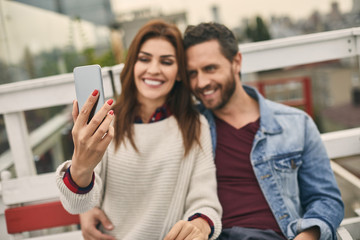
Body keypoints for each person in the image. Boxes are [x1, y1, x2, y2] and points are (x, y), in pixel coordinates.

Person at [79, 22, 345, 240]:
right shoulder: (190, 126)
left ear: (236, 62)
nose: (202, 82)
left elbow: (326, 199)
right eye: (192, 73)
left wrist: (307, 237)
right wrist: (87, 204)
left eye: (210, 69)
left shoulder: (295, 124)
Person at [55, 19, 222, 240]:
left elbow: (205, 201)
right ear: (133, 64)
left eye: (166, 61)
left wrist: (200, 225)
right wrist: (80, 169)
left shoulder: (195, 124)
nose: (153, 70)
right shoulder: (107, 120)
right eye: (144, 59)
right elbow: (79, 203)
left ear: (180, 72)